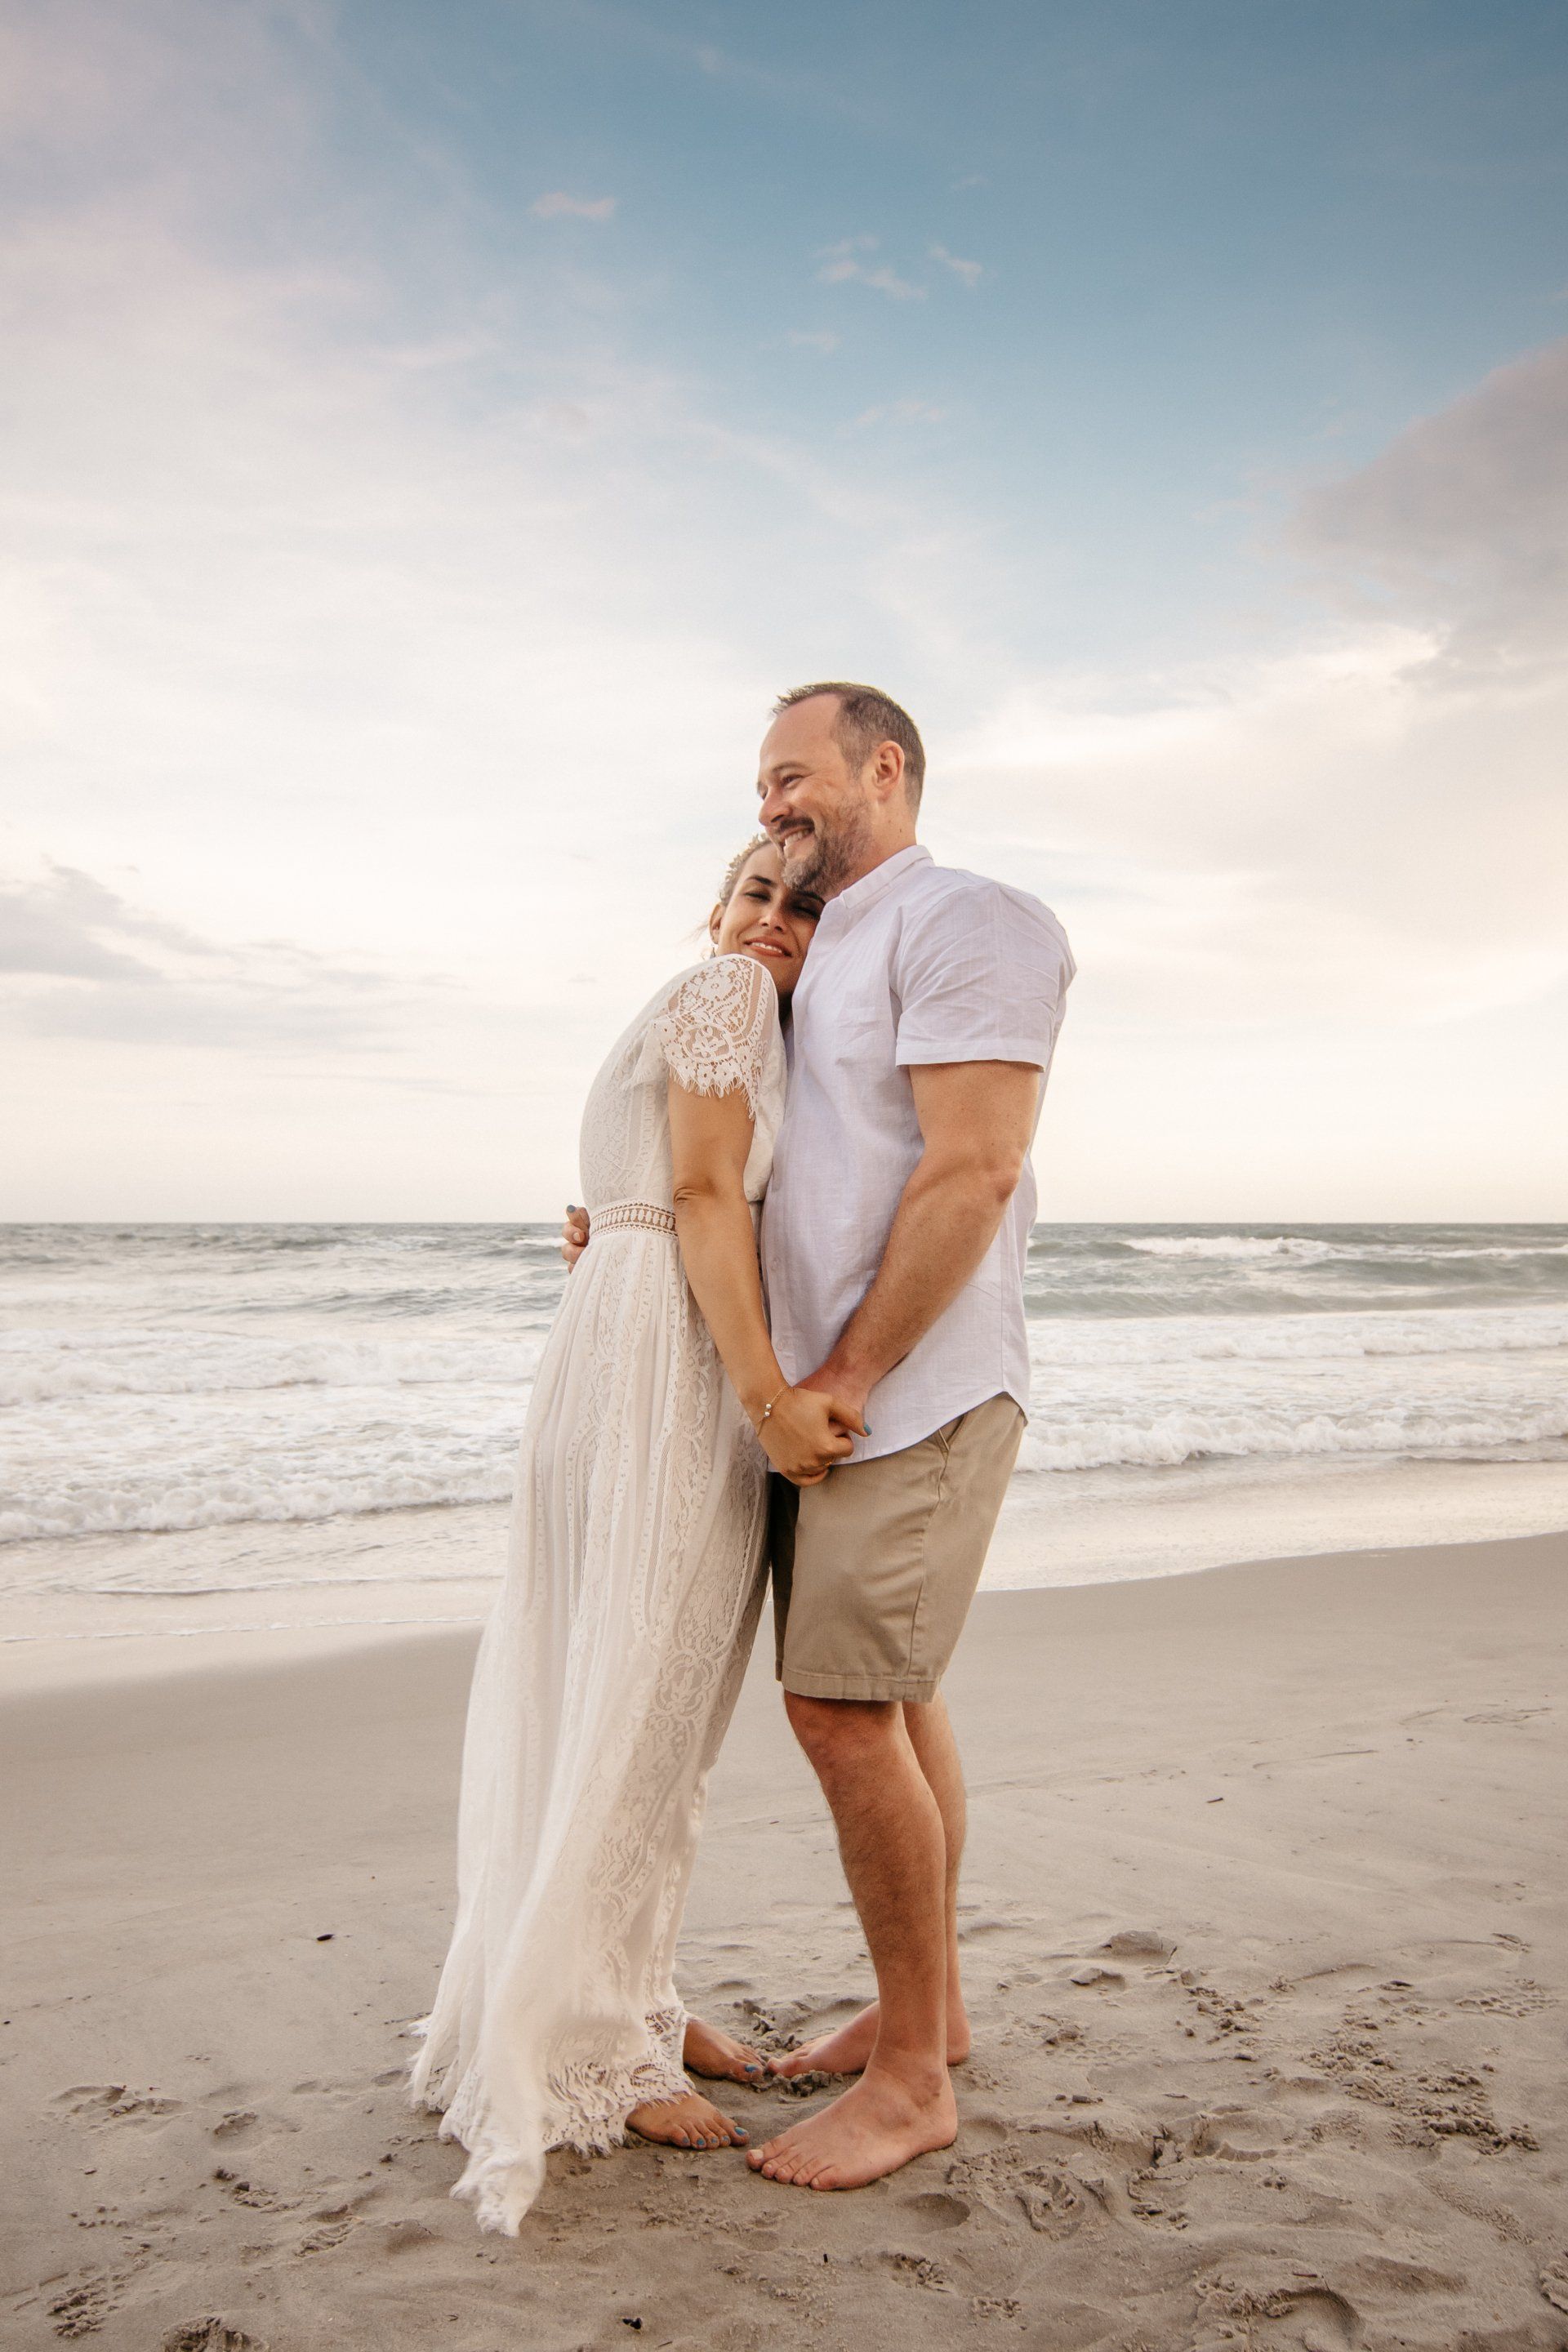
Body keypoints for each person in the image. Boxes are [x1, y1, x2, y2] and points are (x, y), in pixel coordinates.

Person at [409, 836, 855, 2236]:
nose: (775, 921)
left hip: (614, 1348)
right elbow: (708, 1199)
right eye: (757, 894)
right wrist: (769, 1399)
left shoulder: (703, 1008)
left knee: (625, 1691)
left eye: (806, 906)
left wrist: (615, 1242)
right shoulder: (727, 999)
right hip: (664, 1371)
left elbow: (644, 1197)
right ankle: (598, 2041)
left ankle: (633, 1994)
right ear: (716, 908)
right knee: (647, 1705)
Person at [743, 681, 1074, 2193]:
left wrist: (857, 1372)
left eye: (797, 774)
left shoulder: (971, 919)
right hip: (829, 1395)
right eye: (762, 784)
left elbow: (976, 1168)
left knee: (839, 1709)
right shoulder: (817, 952)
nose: (774, 804)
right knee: (893, 1694)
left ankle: (909, 2082)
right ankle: (922, 2011)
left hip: (915, 1389)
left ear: (888, 767)